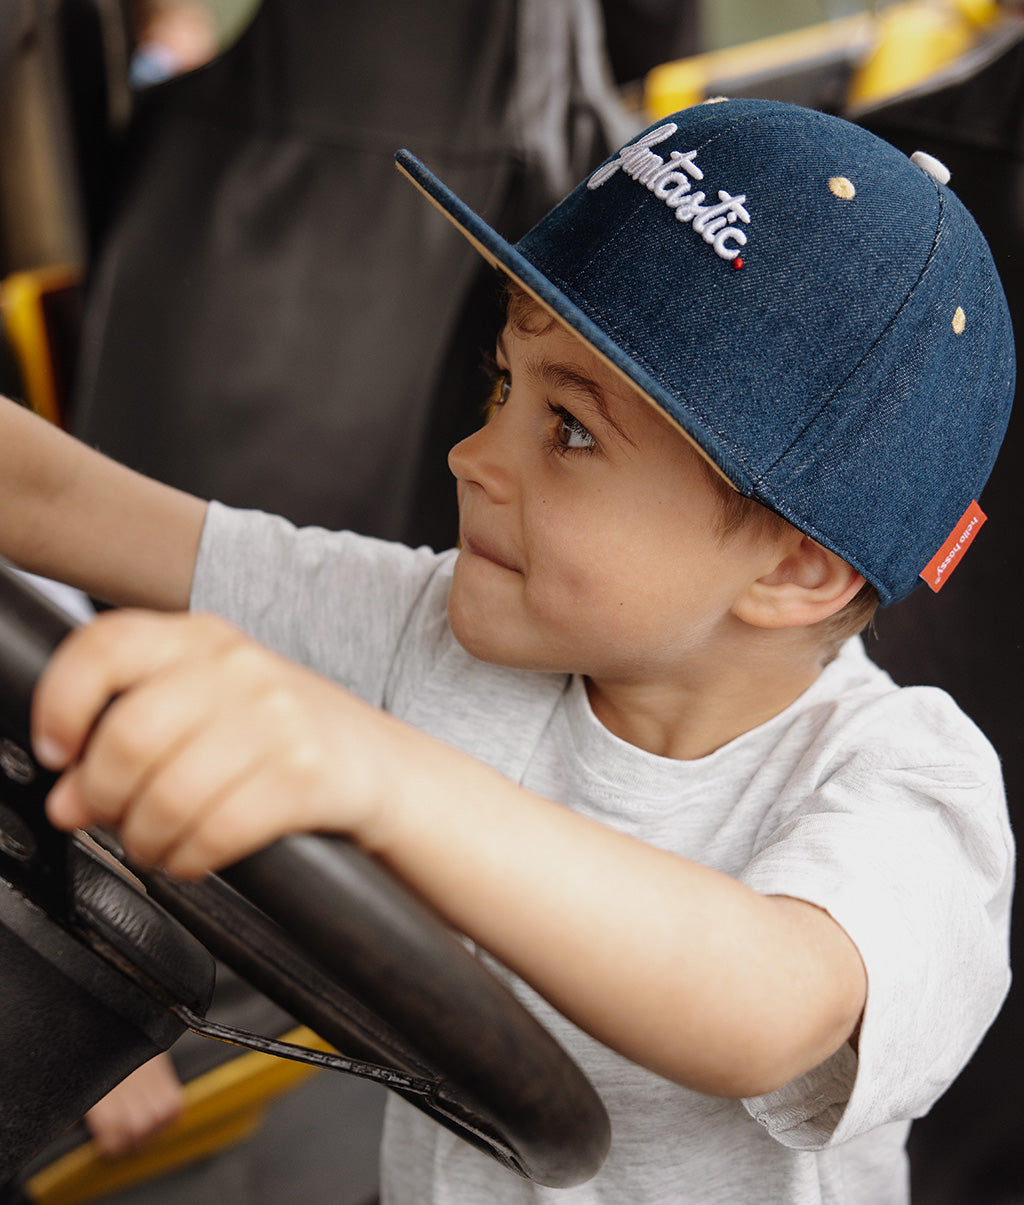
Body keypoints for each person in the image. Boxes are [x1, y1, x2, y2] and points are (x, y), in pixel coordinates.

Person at [0, 99, 1014, 1203]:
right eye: (502, 383)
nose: (471, 453)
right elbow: (69, 503)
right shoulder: (438, 625)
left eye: (570, 428)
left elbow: (769, 1007)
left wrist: (374, 769)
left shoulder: (911, 787)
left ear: (794, 570)